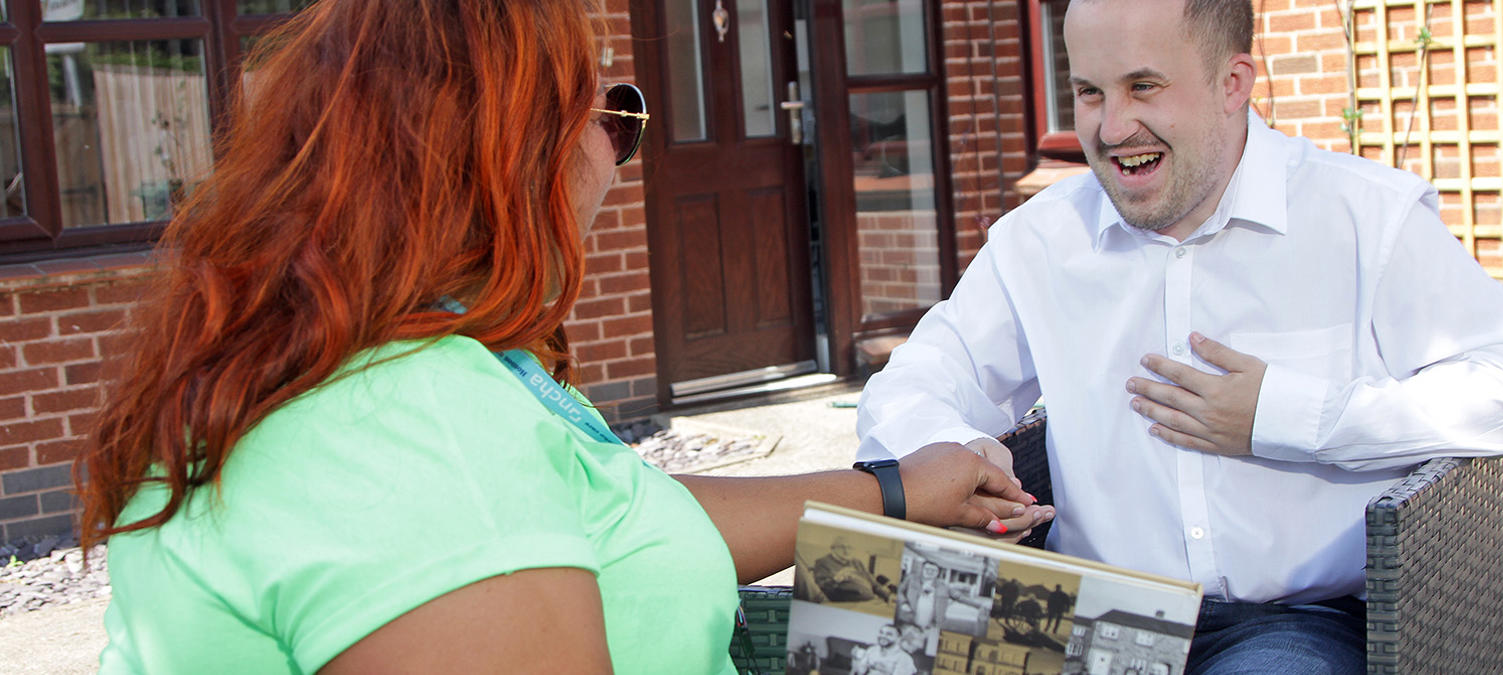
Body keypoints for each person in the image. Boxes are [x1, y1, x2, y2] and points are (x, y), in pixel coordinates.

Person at [74, 2, 1034, 673]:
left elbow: (616, 514)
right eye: (608, 115)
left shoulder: (391, 364)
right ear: (502, 152)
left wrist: (896, 491)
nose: (614, 160)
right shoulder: (413, 427)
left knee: (1062, 635)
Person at [855, 0, 1503, 672]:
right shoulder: (1038, 242)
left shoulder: (1364, 218)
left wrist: (1289, 416)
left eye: (1145, 86)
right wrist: (951, 446)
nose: (1111, 129)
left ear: (1234, 82)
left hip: (1292, 623)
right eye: (1090, 92)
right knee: (854, 629)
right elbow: (912, 385)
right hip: (1081, 613)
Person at [812, 536, 894, 602]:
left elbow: (872, 582)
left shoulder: (856, 562)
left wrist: (888, 596)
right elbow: (819, 589)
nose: (846, 551)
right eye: (842, 547)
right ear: (833, 548)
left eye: (849, 547)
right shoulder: (822, 563)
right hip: (845, 604)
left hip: (870, 602)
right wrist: (836, 579)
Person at [852, 624, 919, 675]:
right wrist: (855, 658)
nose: (883, 636)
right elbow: (861, 671)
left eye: (889, 634)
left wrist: (882, 669)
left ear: (899, 638)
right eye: (881, 632)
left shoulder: (904, 658)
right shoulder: (872, 650)